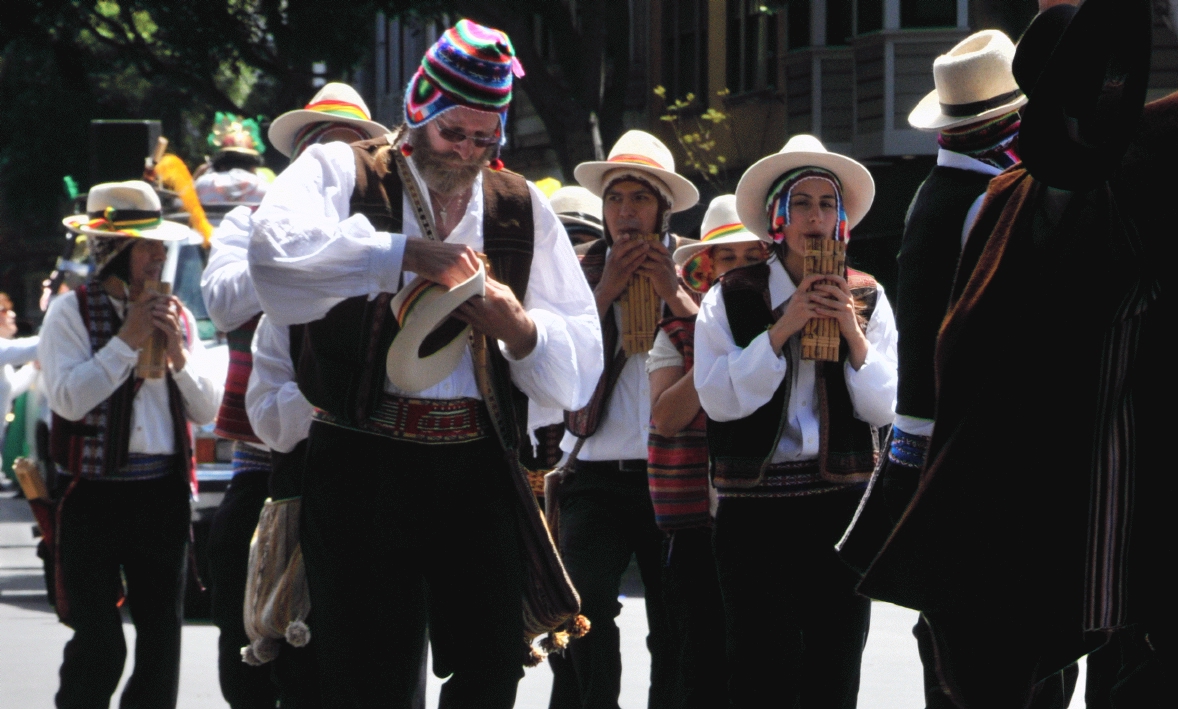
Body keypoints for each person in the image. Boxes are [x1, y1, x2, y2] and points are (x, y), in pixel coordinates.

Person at [247, 19, 602, 709]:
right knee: (369, 676)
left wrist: (520, 328)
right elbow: (274, 260)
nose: (467, 150)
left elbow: (579, 365)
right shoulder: (341, 170)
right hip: (362, 458)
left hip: (476, 460)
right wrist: (401, 254)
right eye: (453, 132)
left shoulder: (519, 206)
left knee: (492, 665)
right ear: (418, 111)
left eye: (483, 137)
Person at [860, 0, 1175, 704]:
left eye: (1115, 80)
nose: (1107, 96)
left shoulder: (1133, 168)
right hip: (1045, 481)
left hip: (1114, 485)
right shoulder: (979, 204)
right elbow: (954, 360)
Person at [835, 27, 1078, 708]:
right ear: (1013, 122)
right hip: (993, 459)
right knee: (1008, 648)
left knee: (958, 635)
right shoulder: (996, 201)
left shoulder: (934, 196)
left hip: (941, 456)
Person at [200, 81, 388, 709]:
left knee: (363, 653)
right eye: (323, 157)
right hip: (267, 465)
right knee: (249, 638)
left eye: (353, 157)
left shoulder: (382, 242)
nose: (339, 172)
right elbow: (224, 304)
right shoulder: (247, 223)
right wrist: (296, 257)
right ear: (299, 166)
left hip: (371, 466)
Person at [694, 135, 896, 708]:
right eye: (802, 204)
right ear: (779, 219)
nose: (816, 216)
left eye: (827, 204)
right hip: (755, 511)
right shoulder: (729, 297)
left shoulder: (869, 295)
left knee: (835, 668)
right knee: (760, 669)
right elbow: (719, 400)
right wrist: (783, 328)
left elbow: (885, 407)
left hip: (841, 505)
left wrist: (851, 333)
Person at [39, 180, 221, 709]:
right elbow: (71, 400)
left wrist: (180, 357)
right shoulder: (69, 315)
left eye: (161, 247)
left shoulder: (179, 316)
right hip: (93, 496)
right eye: (148, 247)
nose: (159, 258)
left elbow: (206, 411)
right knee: (99, 639)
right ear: (116, 252)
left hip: (161, 494)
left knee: (162, 638)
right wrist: (127, 342)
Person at [553, 129, 699, 709]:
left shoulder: (695, 265)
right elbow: (556, 357)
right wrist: (608, 287)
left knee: (673, 619)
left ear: (662, 207)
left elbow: (723, 352)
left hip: (673, 470)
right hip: (595, 469)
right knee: (584, 606)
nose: (624, 212)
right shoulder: (578, 269)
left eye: (639, 199)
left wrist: (674, 291)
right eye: (615, 199)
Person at [645, 194, 766, 709]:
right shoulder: (674, 332)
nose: (739, 269)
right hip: (698, 522)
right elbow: (666, 418)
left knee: (763, 657)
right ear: (707, 267)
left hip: (767, 512)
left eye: (752, 258)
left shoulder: (786, 323)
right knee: (701, 653)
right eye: (727, 259)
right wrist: (715, 353)